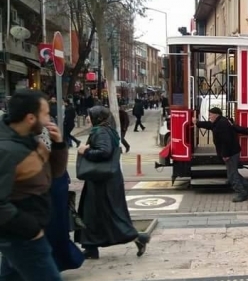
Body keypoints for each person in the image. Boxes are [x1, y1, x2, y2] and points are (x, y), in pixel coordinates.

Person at [0, 89, 68, 280]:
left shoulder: (34, 138)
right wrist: (31, 229)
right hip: (22, 236)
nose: (49, 119)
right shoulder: (6, 150)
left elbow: (55, 173)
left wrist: (59, 145)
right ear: (31, 118)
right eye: (46, 114)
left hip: (27, 232)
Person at [75, 106, 150, 259]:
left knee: (106, 214)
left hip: (102, 182)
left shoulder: (101, 131)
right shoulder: (106, 129)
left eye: (90, 115)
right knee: (94, 214)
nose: (87, 118)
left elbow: (104, 152)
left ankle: (138, 238)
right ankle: (90, 247)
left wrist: (85, 151)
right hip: (102, 180)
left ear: (98, 117)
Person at [40, 116, 85, 272]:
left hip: (55, 188)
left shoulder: (47, 133)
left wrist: (59, 142)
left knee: (56, 228)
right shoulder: (22, 140)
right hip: (44, 192)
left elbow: (57, 168)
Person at [193, 107, 248, 202]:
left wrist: (225, 155)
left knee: (231, 175)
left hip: (230, 153)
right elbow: (210, 125)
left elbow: (226, 141)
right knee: (234, 173)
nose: (209, 117)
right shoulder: (219, 122)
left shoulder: (222, 124)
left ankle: (241, 193)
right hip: (232, 151)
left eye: (210, 114)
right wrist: (198, 123)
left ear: (216, 114)